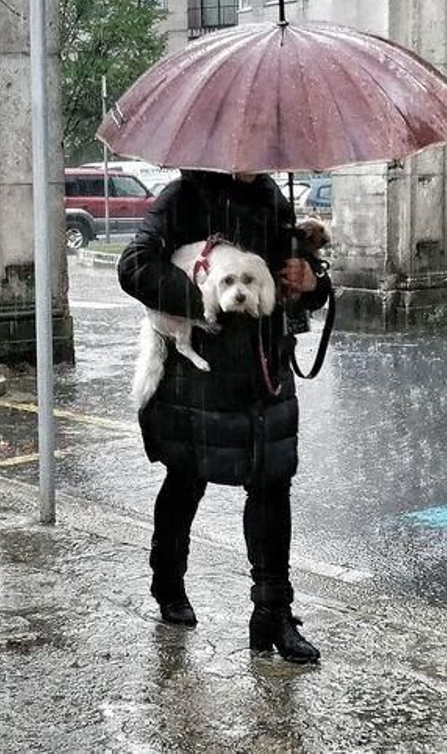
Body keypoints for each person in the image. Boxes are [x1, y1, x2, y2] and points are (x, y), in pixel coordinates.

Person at [117, 169, 331, 664]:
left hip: (266, 374)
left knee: (273, 487)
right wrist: (205, 298)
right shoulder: (183, 195)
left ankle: (272, 615)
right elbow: (134, 266)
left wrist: (310, 280)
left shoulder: (274, 198)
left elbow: (290, 283)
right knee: (185, 480)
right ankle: (168, 583)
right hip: (202, 380)